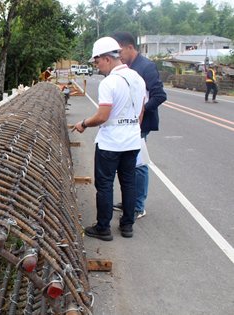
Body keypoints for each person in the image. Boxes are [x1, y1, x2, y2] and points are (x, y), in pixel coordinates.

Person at [72, 37, 146, 241]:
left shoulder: (110, 82)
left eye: (97, 62)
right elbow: (140, 112)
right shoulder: (137, 78)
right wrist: (130, 129)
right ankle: (127, 225)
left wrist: (84, 123)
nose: (97, 66)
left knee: (104, 184)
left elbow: (102, 116)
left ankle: (103, 227)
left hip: (111, 143)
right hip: (132, 141)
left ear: (106, 58)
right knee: (128, 182)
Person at [112, 31, 167, 219]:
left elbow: (160, 95)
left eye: (119, 51)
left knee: (139, 164)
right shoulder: (127, 67)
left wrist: (140, 111)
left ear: (129, 47)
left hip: (140, 125)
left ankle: (138, 205)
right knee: (127, 163)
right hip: (127, 124)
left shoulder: (146, 67)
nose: (118, 56)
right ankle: (129, 200)